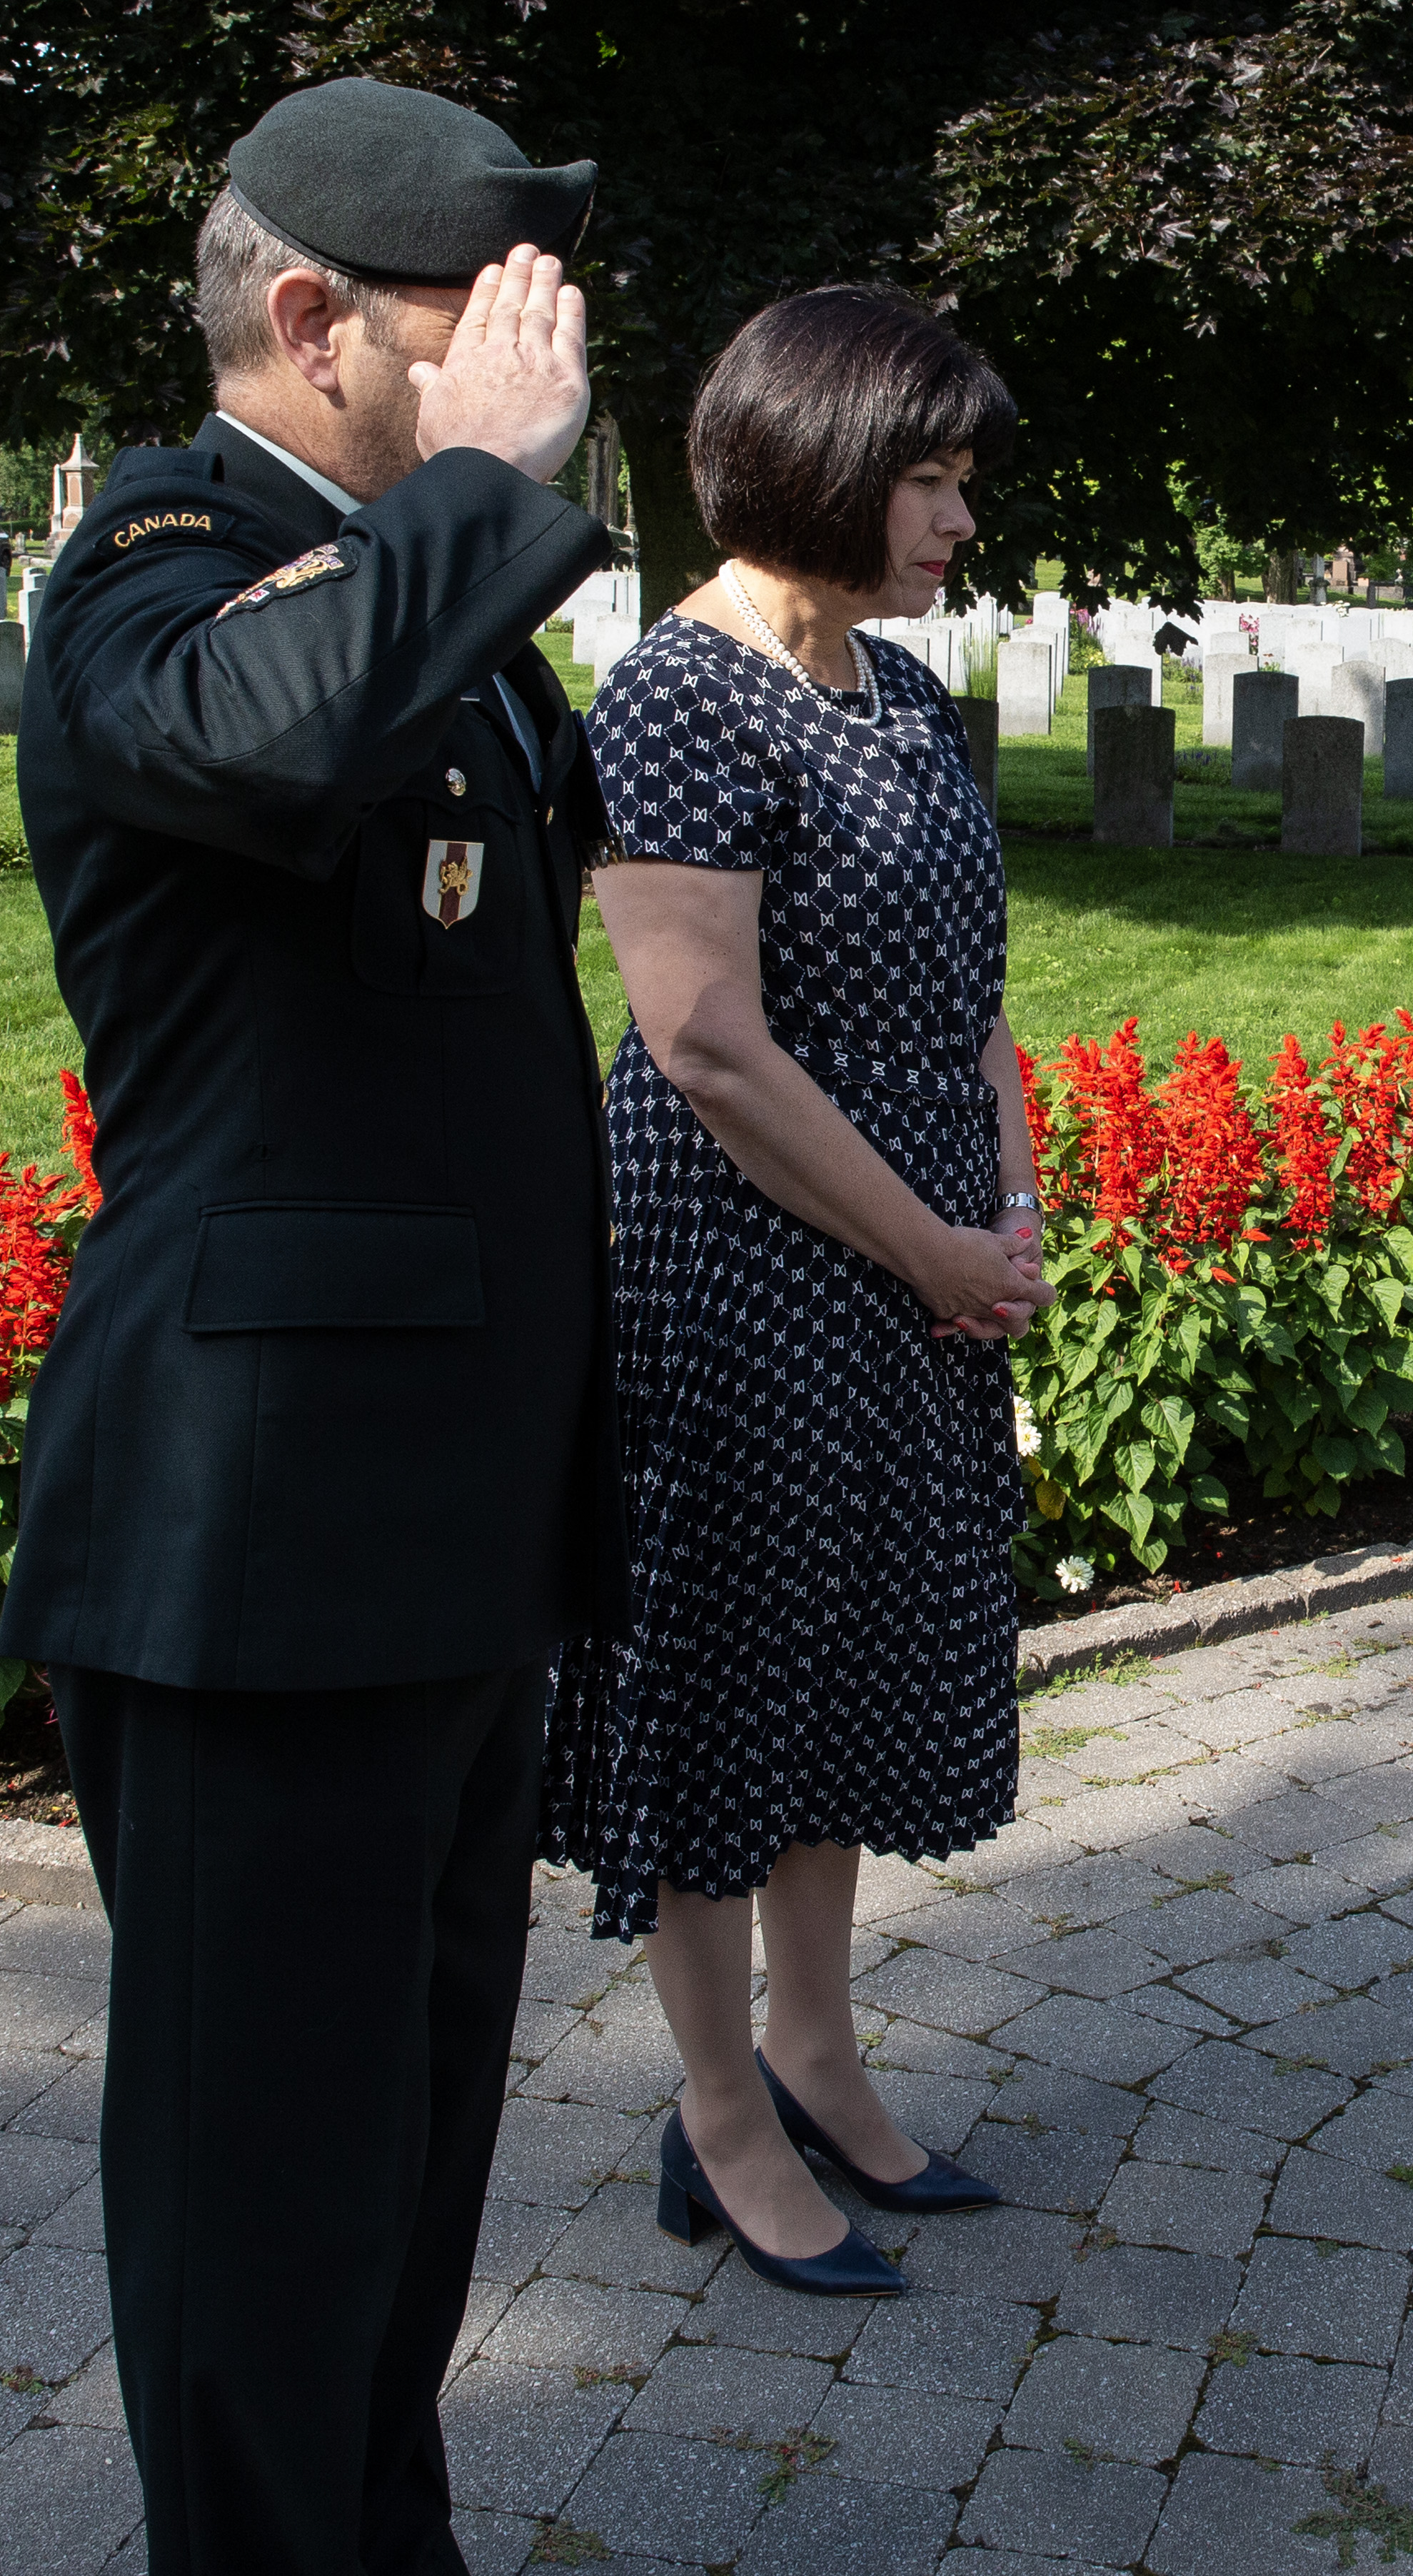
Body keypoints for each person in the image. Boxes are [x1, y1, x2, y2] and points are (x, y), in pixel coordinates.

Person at [4, 77, 611, 2572]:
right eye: (481, 321)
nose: (533, 364)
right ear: (310, 322)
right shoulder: (163, 555)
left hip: (442, 1539)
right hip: (256, 1558)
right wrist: (491, 494)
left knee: (396, 2195)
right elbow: (252, 738)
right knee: (263, 2223)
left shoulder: (410, 602)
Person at [540, 286, 1049, 2295]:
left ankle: (821, 2053)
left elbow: (977, 996)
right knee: (727, 1690)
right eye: (932, 476)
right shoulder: (681, 694)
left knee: (841, 1669)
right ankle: (716, 2113)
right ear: (826, 462)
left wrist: (1000, 1213)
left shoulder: (900, 696)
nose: (958, 518)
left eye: (962, 480)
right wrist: (929, 1245)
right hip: (742, 1264)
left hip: (917, 1268)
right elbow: (708, 1044)